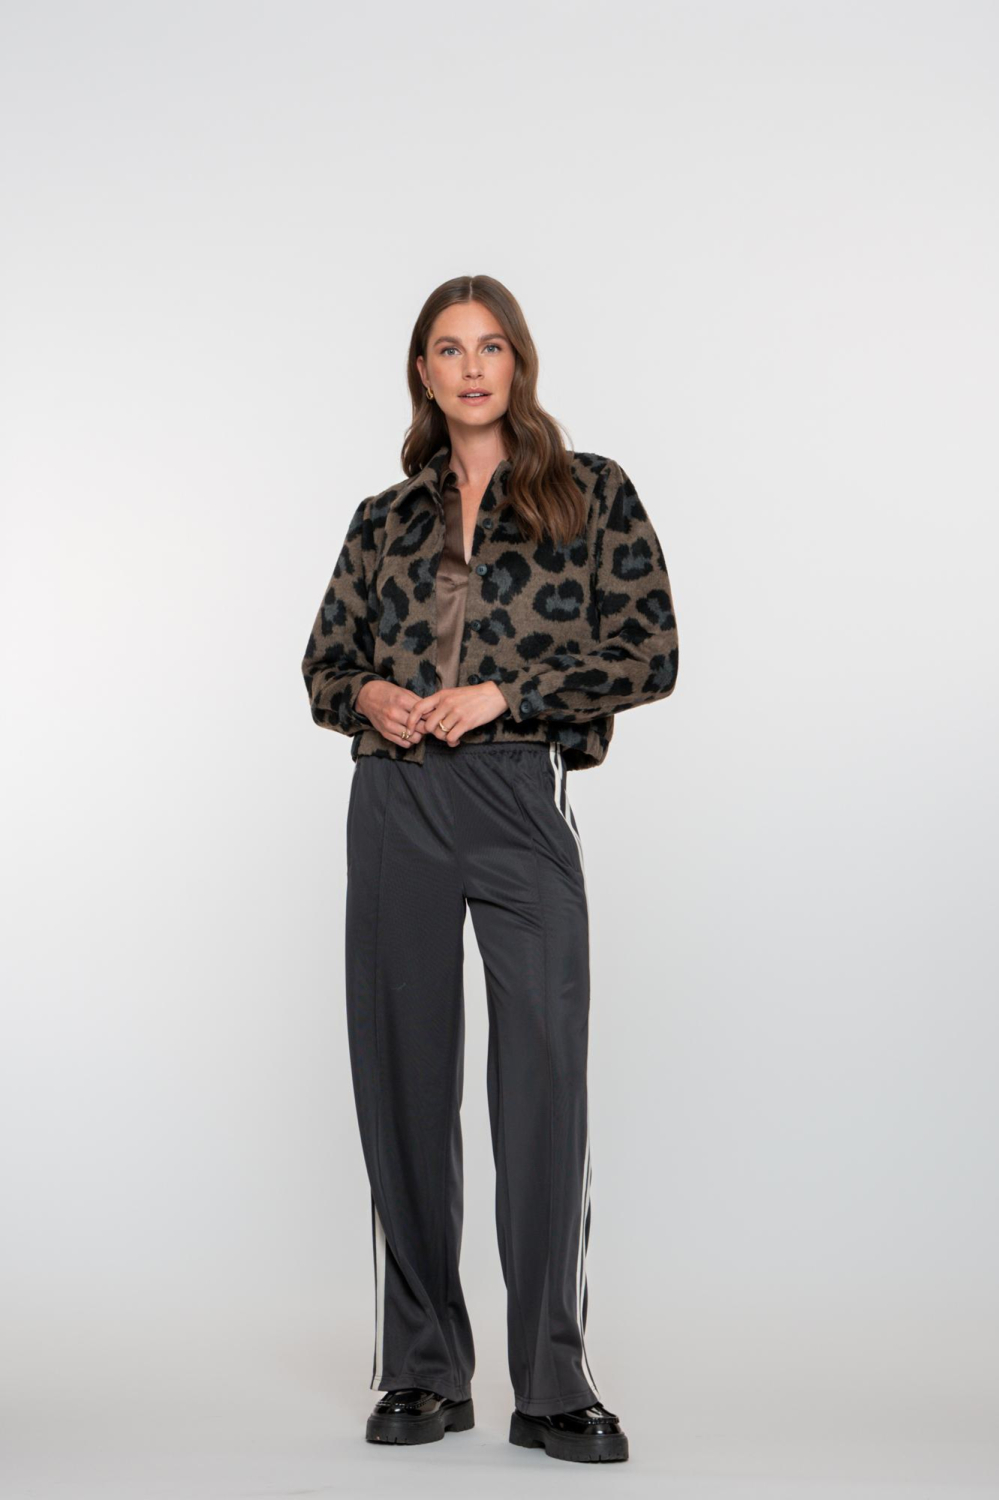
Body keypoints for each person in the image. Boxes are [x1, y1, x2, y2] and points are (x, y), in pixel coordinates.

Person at [301, 274, 679, 1464]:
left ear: (519, 362)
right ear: (422, 371)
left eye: (492, 346)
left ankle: (553, 1381)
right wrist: (371, 693)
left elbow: (650, 649)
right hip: (395, 800)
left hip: (517, 795)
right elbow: (322, 664)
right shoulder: (383, 518)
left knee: (542, 1082)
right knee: (404, 1081)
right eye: (448, 348)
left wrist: (508, 692)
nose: (472, 367)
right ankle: (423, 1368)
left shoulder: (590, 491)